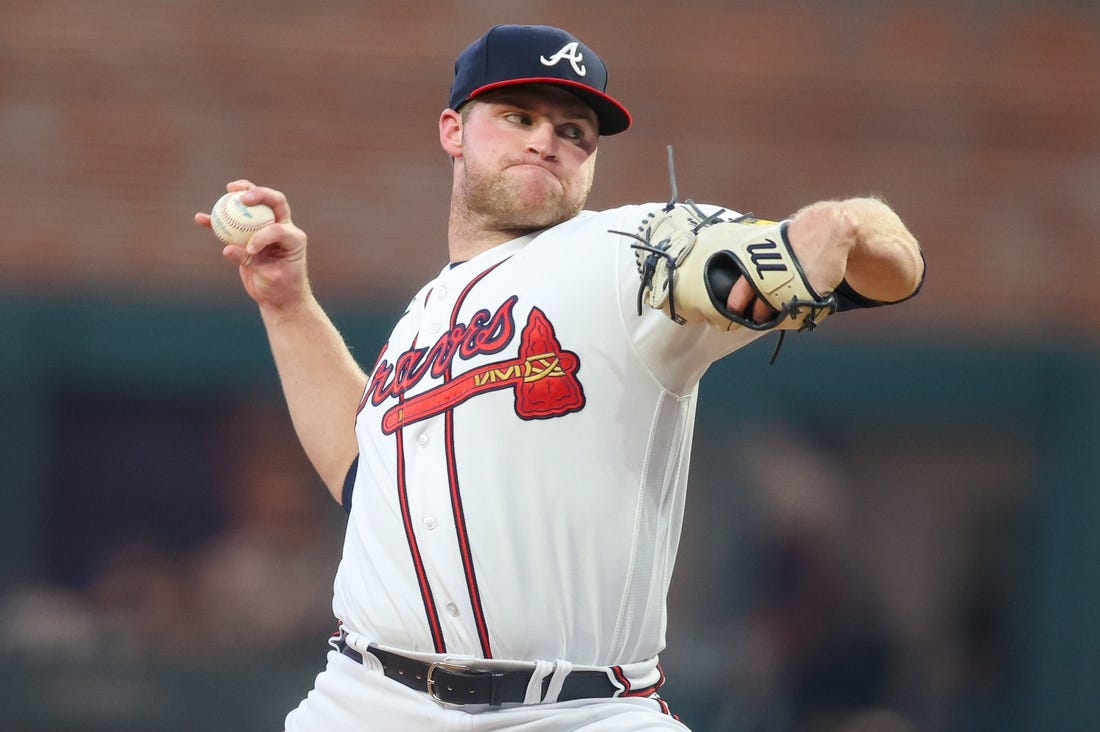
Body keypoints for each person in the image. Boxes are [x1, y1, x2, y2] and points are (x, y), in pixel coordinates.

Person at [194, 23, 924, 732]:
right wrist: (288, 305)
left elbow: (882, 269)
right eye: (519, 116)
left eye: (575, 130)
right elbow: (364, 473)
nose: (547, 140)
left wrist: (845, 228)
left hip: (579, 709)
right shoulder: (424, 316)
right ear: (454, 130)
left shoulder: (621, 254)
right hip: (367, 698)